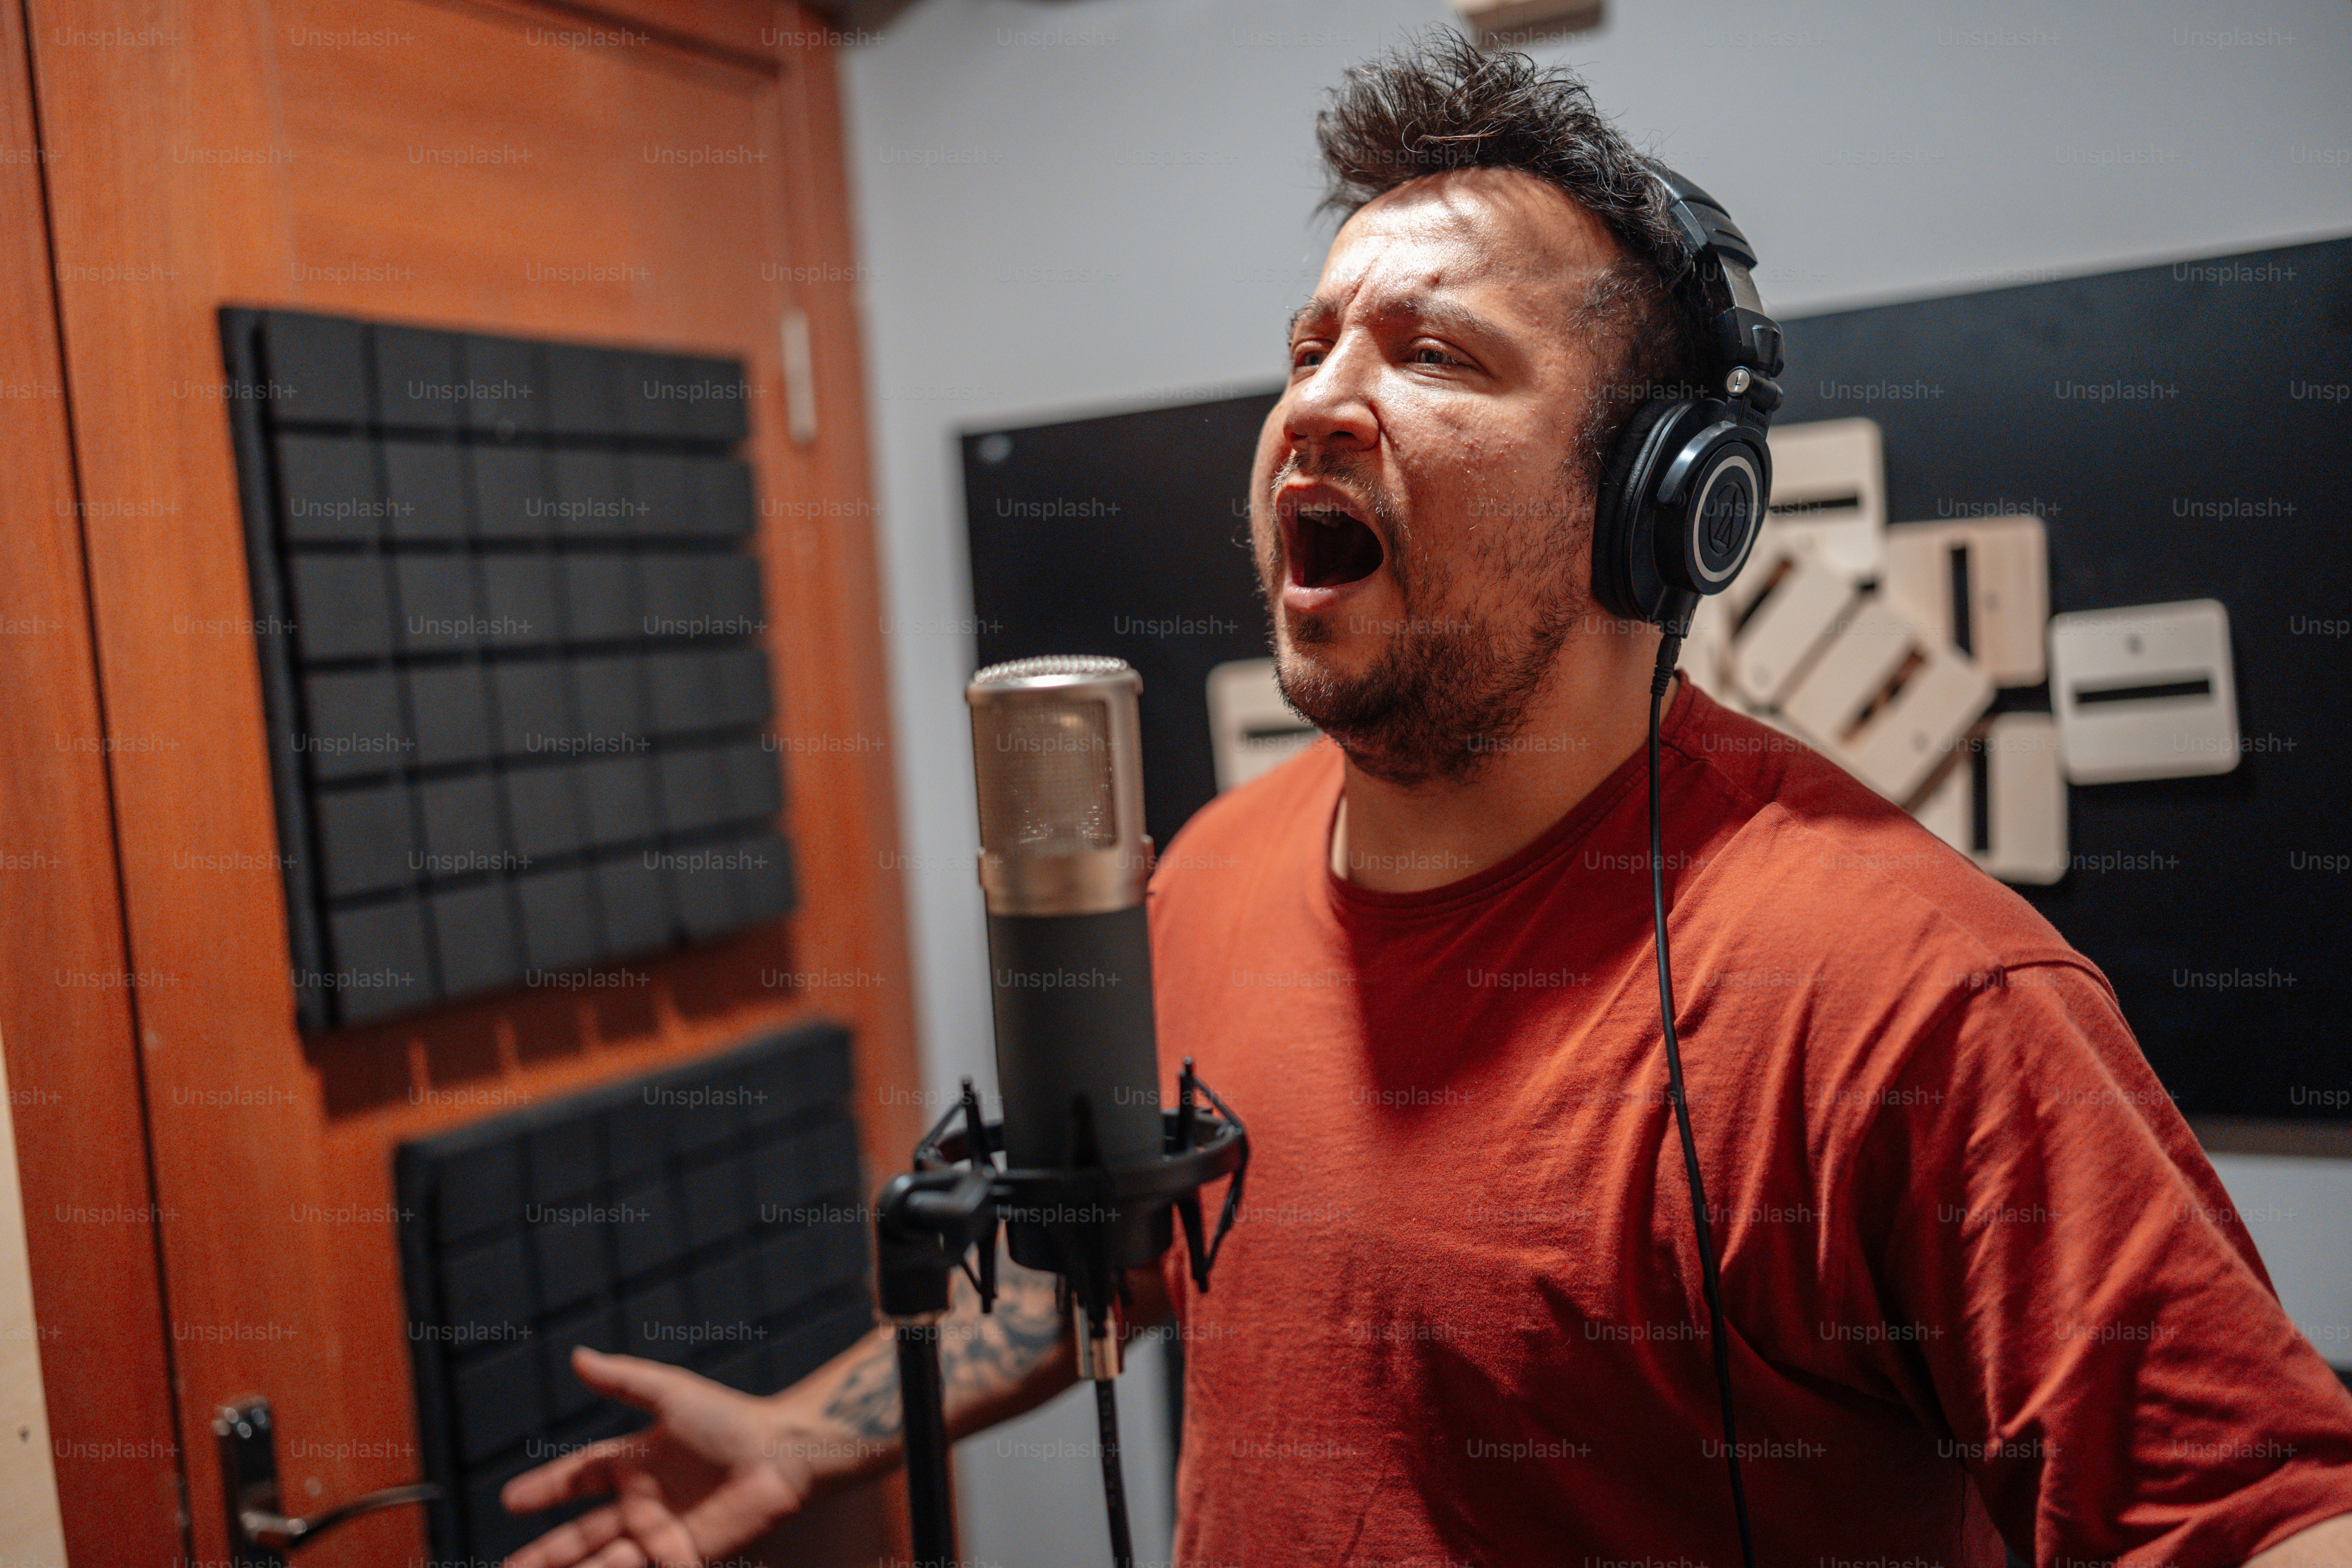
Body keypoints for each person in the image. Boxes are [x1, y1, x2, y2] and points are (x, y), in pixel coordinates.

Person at [500, 33, 2352, 1568]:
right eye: (1310, 346)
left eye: (1438, 354)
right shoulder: (1207, 878)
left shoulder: (1911, 998)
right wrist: (810, 1436)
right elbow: (1131, 1253)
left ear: (1661, 504)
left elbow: (2270, 1514)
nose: (1317, 402)